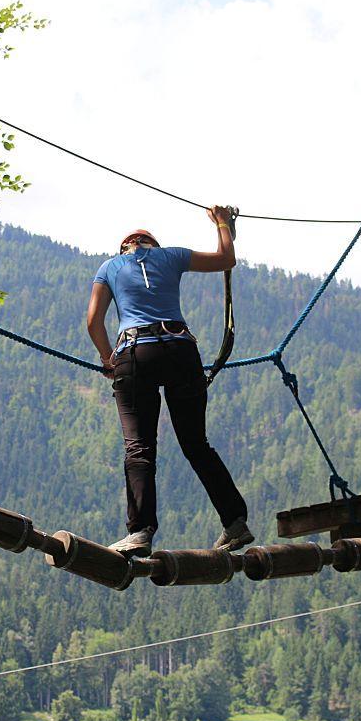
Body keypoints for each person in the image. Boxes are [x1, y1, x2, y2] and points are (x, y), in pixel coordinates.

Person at [86, 205, 253, 557]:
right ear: (152, 245)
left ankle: (140, 533)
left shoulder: (109, 267)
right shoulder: (171, 256)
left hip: (135, 353)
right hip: (180, 349)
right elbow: (226, 259)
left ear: (125, 247)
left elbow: (93, 321)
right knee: (196, 444)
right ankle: (235, 523)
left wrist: (107, 359)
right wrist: (221, 221)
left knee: (139, 447)